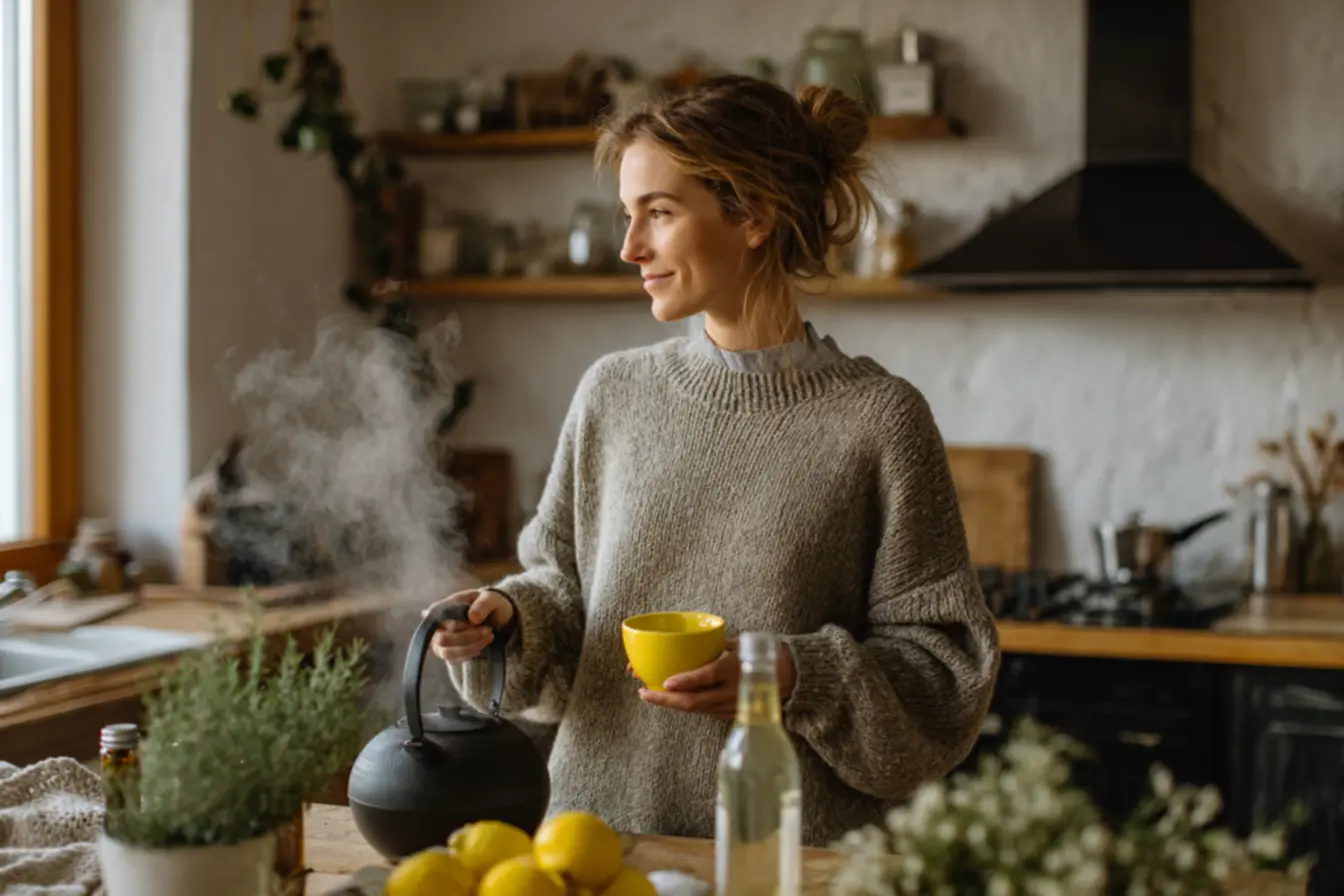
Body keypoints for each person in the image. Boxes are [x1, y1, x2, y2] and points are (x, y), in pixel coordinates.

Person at [425, 74, 1001, 848]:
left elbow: (944, 676)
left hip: (786, 861)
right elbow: (563, 588)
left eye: (659, 213)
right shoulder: (613, 394)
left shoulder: (880, 421)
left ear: (754, 213)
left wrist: (789, 677)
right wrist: (510, 622)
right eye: (628, 216)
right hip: (597, 846)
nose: (630, 247)